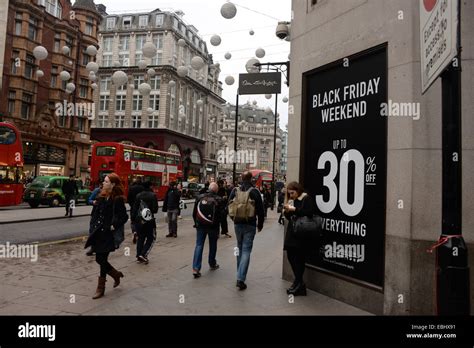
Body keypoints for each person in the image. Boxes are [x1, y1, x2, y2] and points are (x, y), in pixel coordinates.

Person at [85, 173, 128, 299]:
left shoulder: (118, 199)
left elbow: (124, 217)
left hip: (109, 235)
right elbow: (96, 214)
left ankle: (101, 288)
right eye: (104, 181)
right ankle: (115, 275)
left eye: (106, 181)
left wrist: (114, 225)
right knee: (100, 259)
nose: (103, 183)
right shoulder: (101, 196)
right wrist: (93, 228)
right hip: (99, 233)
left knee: (101, 259)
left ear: (113, 184)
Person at [227, 171, 265, 290]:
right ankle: (240, 278)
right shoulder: (255, 191)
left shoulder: (235, 190)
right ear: (251, 179)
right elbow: (260, 209)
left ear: (241, 178)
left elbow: (229, 205)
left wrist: (233, 218)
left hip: (238, 224)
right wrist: (260, 224)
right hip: (250, 224)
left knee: (239, 248)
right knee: (246, 250)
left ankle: (239, 273)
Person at [283, 181, 316, 296]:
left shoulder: (306, 198)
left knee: (299, 259)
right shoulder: (293, 200)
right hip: (293, 232)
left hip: (302, 234)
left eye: (292, 193)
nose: (291, 195)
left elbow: (310, 213)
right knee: (290, 256)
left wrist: (294, 210)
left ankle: (298, 284)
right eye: (289, 193)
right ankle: (299, 283)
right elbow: (289, 217)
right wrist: (287, 211)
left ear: (297, 190)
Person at [191, 182, 223, 278]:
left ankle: (196, 268)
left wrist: (196, 223)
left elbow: (194, 213)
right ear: (216, 190)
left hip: (200, 225)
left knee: (199, 245)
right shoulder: (218, 199)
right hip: (213, 227)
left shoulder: (199, 197)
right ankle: (212, 263)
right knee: (213, 245)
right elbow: (221, 216)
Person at [132, 181, 158, 264]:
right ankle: (143, 254)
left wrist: (133, 220)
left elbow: (134, 209)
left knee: (141, 238)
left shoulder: (138, 195)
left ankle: (138, 255)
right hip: (149, 220)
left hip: (139, 220)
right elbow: (155, 209)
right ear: (150, 186)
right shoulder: (153, 195)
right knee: (151, 237)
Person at [86, 183, 103, 256]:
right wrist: (93, 202)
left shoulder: (110, 192)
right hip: (95, 213)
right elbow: (89, 199)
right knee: (92, 230)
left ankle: (99, 247)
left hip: (104, 214)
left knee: (102, 231)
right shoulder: (97, 190)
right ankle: (92, 248)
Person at [127, 177, 144, 244]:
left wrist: (132, 205)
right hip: (141, 207)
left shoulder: (131, 188)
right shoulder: (143, 188)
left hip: (133, 207)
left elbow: (129, 198)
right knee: (141, 220)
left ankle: (134, 231)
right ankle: (139, 233)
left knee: (133, 220)